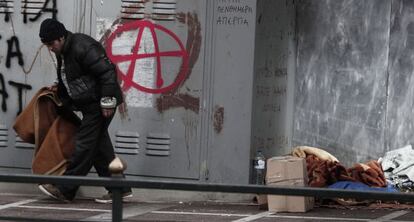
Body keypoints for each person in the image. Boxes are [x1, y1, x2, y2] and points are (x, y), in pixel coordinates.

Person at [37, 18, 132, 203]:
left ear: (61, 37)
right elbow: (73, 74)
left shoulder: (82, 46)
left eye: (51, 43)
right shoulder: (63, 51)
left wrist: (107, 102)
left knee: (84, 145)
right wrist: (59, 89)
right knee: (99, 148)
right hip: (91, 105)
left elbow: (107, 73)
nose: (50, 48)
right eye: (46, 44)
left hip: (100, 104)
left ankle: (65, 189)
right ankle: (119, 189)